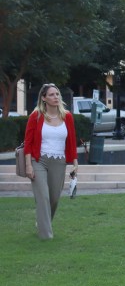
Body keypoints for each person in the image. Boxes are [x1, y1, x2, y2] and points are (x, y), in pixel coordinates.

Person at [23, 84, 78, 239]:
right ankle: (46, 235)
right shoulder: (36, 116)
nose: (56, 97)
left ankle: (41, 222)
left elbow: (72, 142)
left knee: (54, 199)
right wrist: (28, 165)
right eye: (52, 94)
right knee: (43, 197)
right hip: (38, 160)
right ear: (44, 98)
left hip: (59, 161)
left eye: (57, 94)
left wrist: (75, 163)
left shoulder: (67, 116)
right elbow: (28, 142)